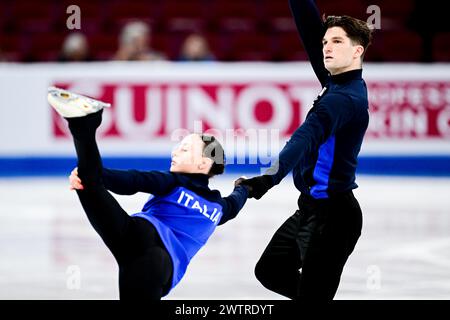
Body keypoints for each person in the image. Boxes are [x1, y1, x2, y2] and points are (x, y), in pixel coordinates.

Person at [47, 87, 249, 300]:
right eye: (178, 147)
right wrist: (243, 187)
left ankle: (84, 124)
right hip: (156, 261)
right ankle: (84, 124)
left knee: (90, 181)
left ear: (204, 163)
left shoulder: (174, 182)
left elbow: (134, 180)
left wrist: (93, 176)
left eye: (185, 149)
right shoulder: (218, 208)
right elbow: (234, 204)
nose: (175, 152)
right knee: (90, 180)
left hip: (135, 236)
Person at [237, 0, 373, 300]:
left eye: (337, 41)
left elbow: (301, 141)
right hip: (311, 208)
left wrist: (265, 180)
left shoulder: (342, 100)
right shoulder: (336, 81)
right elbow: (309, 30)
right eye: (325, 42)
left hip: (335, 219)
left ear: (357, 50)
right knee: (270, 269)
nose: (326, 47)